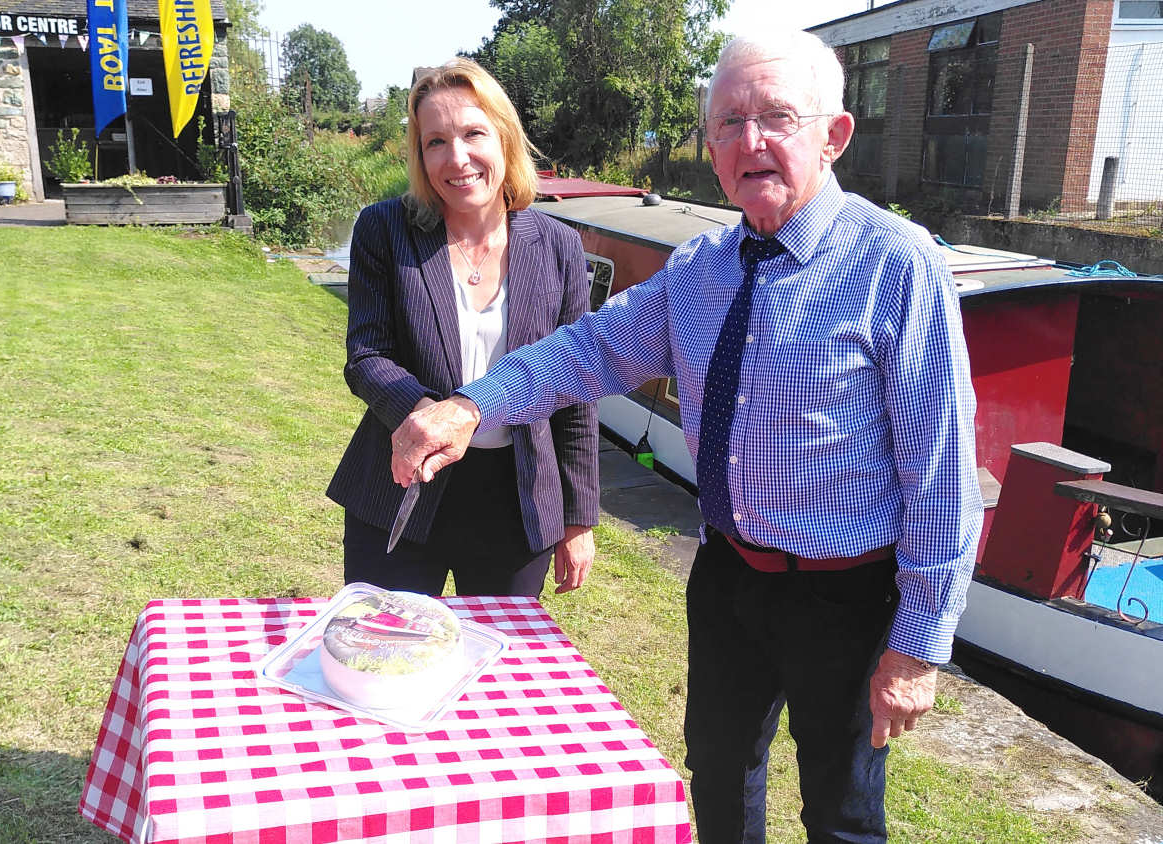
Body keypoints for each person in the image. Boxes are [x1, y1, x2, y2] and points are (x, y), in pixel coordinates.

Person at [391, 30, 985, 842]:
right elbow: (588, 350)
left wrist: (917, 648)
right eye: (729, 123)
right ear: (710, 148)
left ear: (834, 134)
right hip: (727, 578)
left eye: (776, 117)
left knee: (842, 813)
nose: (752, 141)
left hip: (846, 597)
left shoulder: (897, 265)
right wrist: (468, 406)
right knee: (718, 770)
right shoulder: (700, 268)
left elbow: (943, 475)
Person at [325, 57, 599, 599]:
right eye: (435, 142)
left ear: (504, 139)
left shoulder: (561, 248)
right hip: (402, 477)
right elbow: (367, 355)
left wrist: (579, 515)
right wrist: (434, 417)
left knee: (497, 664)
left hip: (517, 499)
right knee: (386, 651)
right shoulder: (384, 228)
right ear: (419, 153)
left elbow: (578, 385)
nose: (457, 158)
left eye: (474, 133)